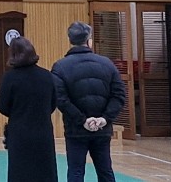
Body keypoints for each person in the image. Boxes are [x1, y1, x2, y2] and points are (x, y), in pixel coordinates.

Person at [51, 21, 127, 182]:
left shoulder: (60, 67)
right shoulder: (107, 64)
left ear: (70, 40)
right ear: (89, 40)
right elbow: (119, 95)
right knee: (105, 171)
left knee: (76, 172)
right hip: (102, 129)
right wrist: (104, 119)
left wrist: (82, 120)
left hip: (75, 129)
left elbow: (61, 99)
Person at [0, 36, 58, 182]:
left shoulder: (10, 77)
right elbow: (53, 102)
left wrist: (16, 112)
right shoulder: (47, 75)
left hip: (19, 133)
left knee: (20, 172)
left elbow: (2, 106)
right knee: (44, 172)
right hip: (43, 132)